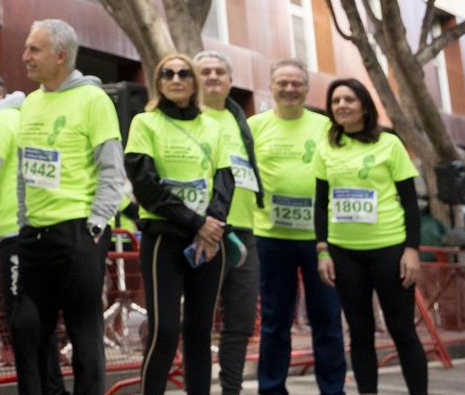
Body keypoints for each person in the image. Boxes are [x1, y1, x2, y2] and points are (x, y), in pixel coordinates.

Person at [11, 19, 126, 395]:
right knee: (28, 334)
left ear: (60, 56)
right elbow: (25, 171)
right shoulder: (30, 102)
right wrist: (24, 222)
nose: (25, 56)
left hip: (78, 232)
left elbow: (112, 168)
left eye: (34, 49)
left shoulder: (93, 100)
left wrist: (95, 226)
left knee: (84, 336)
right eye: (27, 48)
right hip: (33, 236)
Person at [126, 53, 233, 395]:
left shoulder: (212, 127)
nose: (175, 79)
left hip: (207, 242)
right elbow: (145, 185)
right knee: (165, 330)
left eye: (183, 73)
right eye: (167, 74)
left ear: (194, 82)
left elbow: (224, 181)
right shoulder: (145, 123)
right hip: (164, 239)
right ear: (158, 83)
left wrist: (212, 226)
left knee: (200, 331)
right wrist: (197, 222)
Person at [313, 77, 426, 395]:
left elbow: (410, 202)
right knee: (360, 333)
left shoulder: (389, 143)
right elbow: (321, 204)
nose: (341, 106)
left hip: (390, 249)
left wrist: (411, 250)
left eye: (349, 99)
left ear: (364, 105)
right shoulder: (327, 147)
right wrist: (322, 250)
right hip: (344, 252)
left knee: (402, 329)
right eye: (336, 101)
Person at [249, 59, 345, 395]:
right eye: (283, 82)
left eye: (296, 83)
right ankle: (271, 388)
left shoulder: (326, 126)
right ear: (272, 86)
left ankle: (333, 390)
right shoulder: (254, 126)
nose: (289, 89)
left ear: (306, 87)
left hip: (321, 240)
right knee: (275, 322)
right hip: (270, 238)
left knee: (327, 320)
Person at [0, 69, 64, 395]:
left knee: (22, 321)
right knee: (41, 322)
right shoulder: (26, 119)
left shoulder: (0, 122)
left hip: (12, 233)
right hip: (38, 231)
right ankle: (52, 387)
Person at [193, 51, 261, 395]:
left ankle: (231, 389)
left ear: (231, 81)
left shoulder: (240, 120)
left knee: (241, 321)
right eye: (205, 71)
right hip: (203, 232)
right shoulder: (187, 119)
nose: (214, 77)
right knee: (199, 322)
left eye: (221, 71)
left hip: (245, 233)